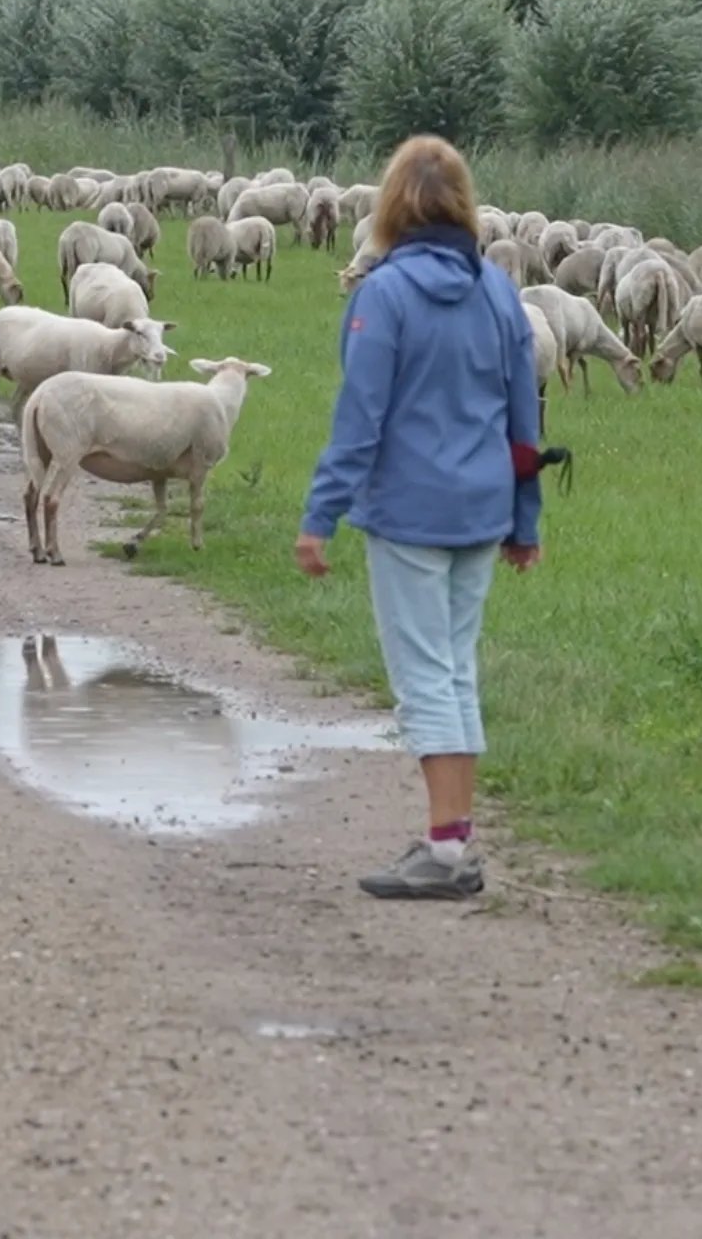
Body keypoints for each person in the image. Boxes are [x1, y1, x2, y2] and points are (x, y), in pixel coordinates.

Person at [294, 134, 543, 902]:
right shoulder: (498, 291)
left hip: (407, 510)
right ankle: (453, 838)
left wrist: (321, 513)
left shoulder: (384, 294)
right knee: (455, 670)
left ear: (390, 205)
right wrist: (524, 519)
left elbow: (361, 416)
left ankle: (445, 854)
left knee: (424, 680)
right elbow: (523, 412)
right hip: (480, 509)